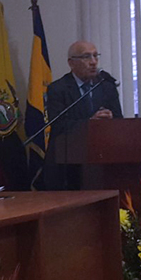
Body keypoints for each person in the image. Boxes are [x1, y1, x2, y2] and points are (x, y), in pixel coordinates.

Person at [44, 40, 124, 190]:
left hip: (102, 163)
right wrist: (89, 123)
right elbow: (59, 125)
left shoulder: (107, 86)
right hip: (67, 167)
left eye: (95, 56)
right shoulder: (58, 89)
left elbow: (120, 120)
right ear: (71, 63)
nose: (93, 62)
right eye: (87, 57)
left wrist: (111, 119)